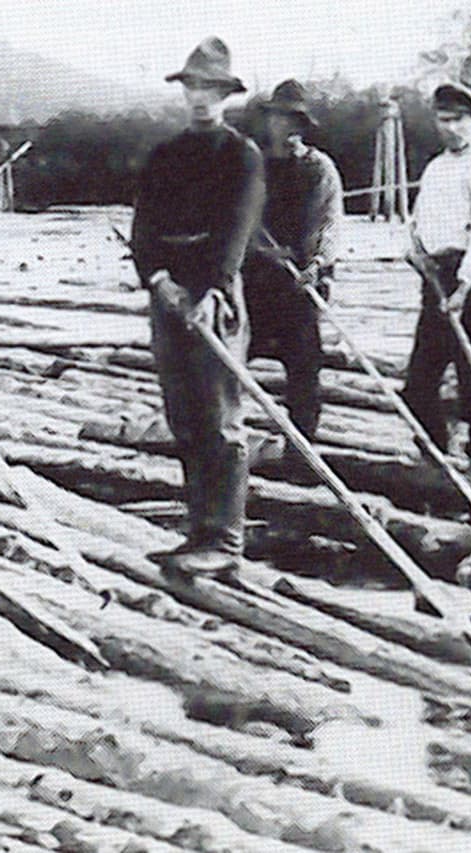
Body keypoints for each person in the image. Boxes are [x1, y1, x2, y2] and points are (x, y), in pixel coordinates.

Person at [130, 37, 265, 575]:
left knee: (220, 418)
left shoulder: (241, 155)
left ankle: (225, 539)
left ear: (226, 94)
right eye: (193, 87)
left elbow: (237, 228)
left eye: (211, 88)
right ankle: (197, 532)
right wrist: (160, 280)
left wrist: (210, 291)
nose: (201, 97)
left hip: (215, 295)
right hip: (169, 292)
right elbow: (145, 226)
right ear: (183, 91)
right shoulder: (165, 155)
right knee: (183, 416)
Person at [402, 82, 471, 484]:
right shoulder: (436, 168)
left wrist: (464, 288)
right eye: (443, 119)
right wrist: (414, 250)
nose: (450, 128)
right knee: (418, 382)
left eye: (459, 120)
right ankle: (434, 451)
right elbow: (418, 221)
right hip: (434, 279)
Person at [242, 79, 342, 451]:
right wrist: (261, 249)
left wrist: (316, 263)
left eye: (293, 121)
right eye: (279, 119)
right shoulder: (250, 165)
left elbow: (329, 222)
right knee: (230, 366)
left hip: (300, 286)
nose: (285, 127)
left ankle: (300, 454)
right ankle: (224, 445)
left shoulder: (318, 169)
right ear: (268, 121)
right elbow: (236, 220)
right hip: (253, 283)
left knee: (304, 374)